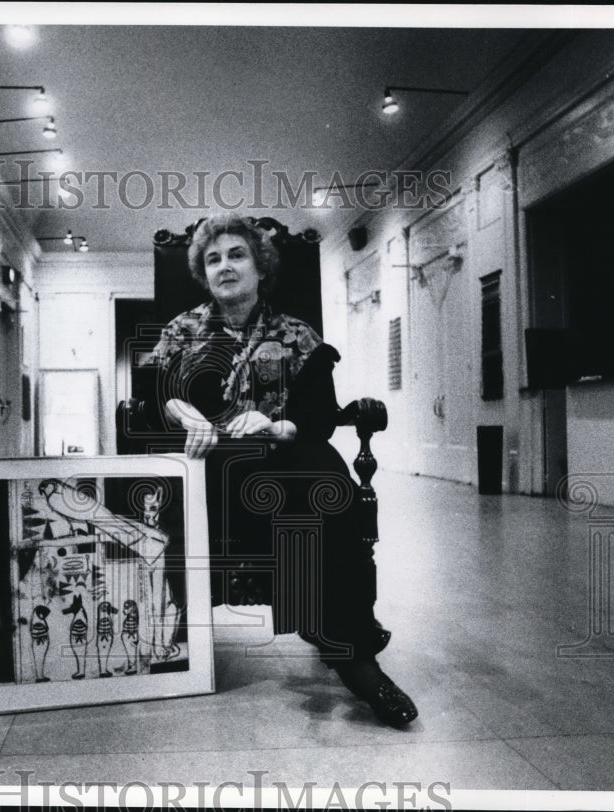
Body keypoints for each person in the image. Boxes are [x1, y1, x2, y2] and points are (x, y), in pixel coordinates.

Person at [143, 213, 418, 727]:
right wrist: (187, 413)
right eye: (213, 258)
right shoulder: (181, 331)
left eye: (237, 254)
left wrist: (276, 426)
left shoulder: (297, 334)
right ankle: (168, 639)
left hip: (280, 465)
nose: (225, 265)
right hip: (207, 470)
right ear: (203, 272)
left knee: (326, 476)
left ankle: (355, 657)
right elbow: (153, 397)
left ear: (260, 265)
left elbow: (318, 417)